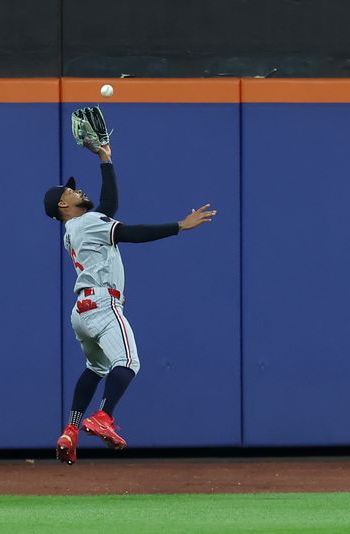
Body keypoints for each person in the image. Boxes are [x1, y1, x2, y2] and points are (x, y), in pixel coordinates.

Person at [43, 142, 217, 465]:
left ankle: (71, 429)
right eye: (69, 192)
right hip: (103, 305)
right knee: (129, 362)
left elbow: (108, 204)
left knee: (95, 368)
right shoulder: (87, 224)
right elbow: (131, 231)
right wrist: (180, 226)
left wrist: (105, 159)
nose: (76, 190)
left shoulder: (72, 230)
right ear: (62, 206)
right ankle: (103, 417)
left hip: (80, 313)